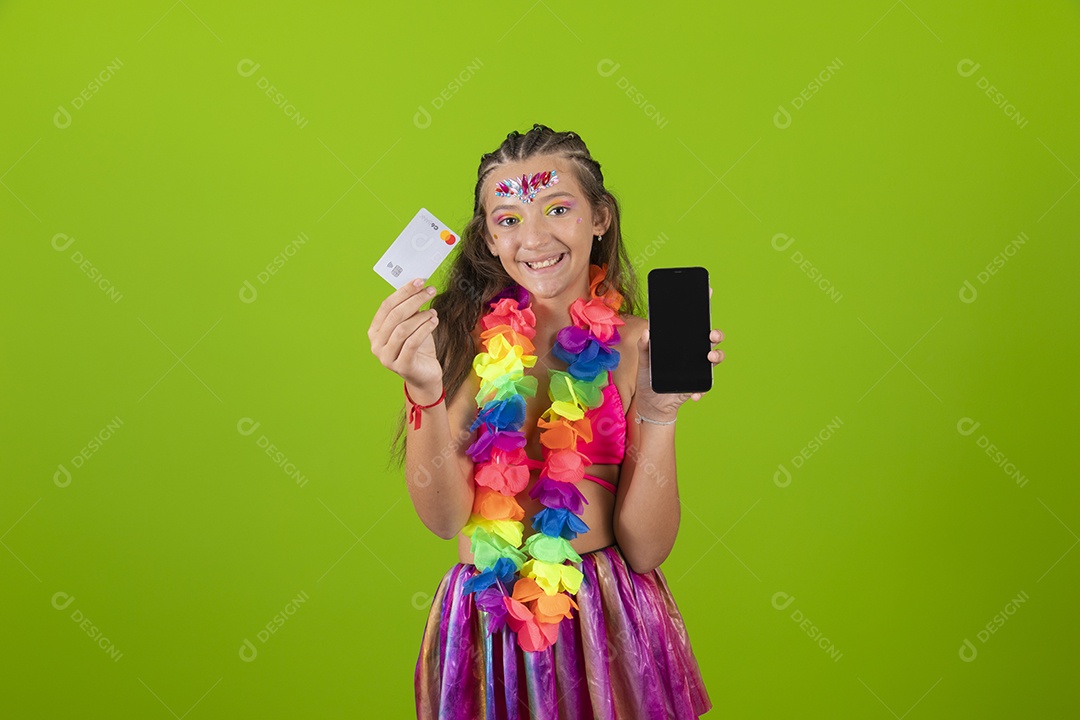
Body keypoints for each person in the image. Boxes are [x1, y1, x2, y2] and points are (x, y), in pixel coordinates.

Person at [368, 124, 723, 719]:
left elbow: (646, 549)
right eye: (507, 219)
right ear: (487, 236)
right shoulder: (455, 343)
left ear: (600, 217)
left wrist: (660, 417)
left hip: (605, 615)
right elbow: (444, 518)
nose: (534, 238)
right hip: (488, 616)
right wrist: (422, 389)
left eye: (558, 208)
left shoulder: (642, 346)